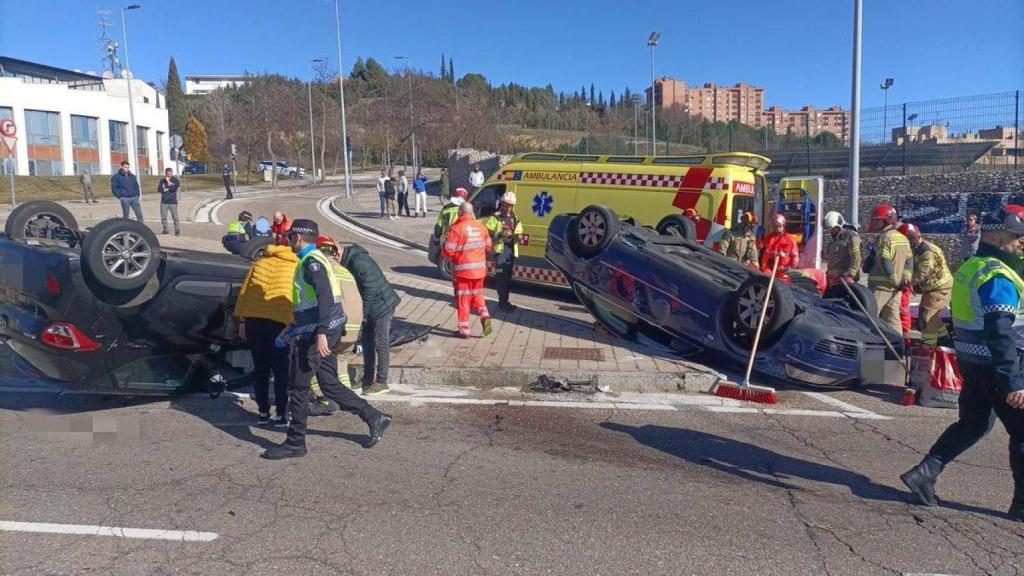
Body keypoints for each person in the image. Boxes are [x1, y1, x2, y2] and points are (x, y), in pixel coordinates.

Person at [900, 204, 1024, 523]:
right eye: (1018, 236)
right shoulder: (998, 275)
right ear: (996, 237)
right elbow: (1000, 332)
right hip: (1000, 367)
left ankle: (924, 473)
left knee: (973, 424)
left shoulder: (974, 265)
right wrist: (1014, 382)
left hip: (973, 363)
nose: (1023, 241)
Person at [262, 219, 392, 460]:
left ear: (298, 238)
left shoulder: (311, 263)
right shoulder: (316, 260)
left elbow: (325, 299)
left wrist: (321, 333)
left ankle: (295, 442)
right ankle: (375, 417)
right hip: (316, 330)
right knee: (330, 385)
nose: (288, 240)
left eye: (290, 237)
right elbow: (310, 304)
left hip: (315, 335)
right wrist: (293, 327)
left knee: (298, 388)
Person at [233, 241, 297, 426]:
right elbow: (295, 296)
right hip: (281, 325)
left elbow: (244, 294)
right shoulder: (294, 266)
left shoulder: (259, 264)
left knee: (260, 368)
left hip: (254, 323)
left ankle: (262, 412)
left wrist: (243, 321)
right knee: (281, 370)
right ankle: (282, 414)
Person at [309, 236, 364, 415]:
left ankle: (323, 399)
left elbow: (323, 300)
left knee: (313, 361)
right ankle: (346, 400)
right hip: (353, 331)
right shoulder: (345, 271)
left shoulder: (324, 271)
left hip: (336, 328)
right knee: (341, 363)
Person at [341, 242, 401, 396]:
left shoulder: (359, 262)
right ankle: (367, 380)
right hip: (372, 308)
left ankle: (382, 381)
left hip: (383, 306)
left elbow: (370, 288)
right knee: (367, 343)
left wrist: (362, 314)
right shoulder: (349, 262)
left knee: (381, 343)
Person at [899, 223, 954, 347]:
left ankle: (928, 346)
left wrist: (906, 281)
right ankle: (944, 340)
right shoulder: (917, 247)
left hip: (939, 286)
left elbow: (923, 273)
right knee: (932, 316)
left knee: (926, 317)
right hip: (932, 286)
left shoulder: (925, 251)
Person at [443, 202, 493, 338]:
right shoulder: (482, 227)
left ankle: (464, 330)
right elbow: (489, 247)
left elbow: (448, 251)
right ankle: (484, 314)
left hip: (464, 272)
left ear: (460, 213)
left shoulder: (457, 229)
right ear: (472, 213)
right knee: (478, 295)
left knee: (464, 300)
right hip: (480, 271)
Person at [866, 203, 913, 335]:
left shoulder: (884, 238)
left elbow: (884, 261)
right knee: (892, 320)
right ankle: (897, 348)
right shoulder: (903, 238)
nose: (874, 223)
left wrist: (894, 280)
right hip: (895, 289)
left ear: (886, 220)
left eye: (876, 220)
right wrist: (905, 279)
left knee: (867, 317)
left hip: (880, 288)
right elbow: (909, 261)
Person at [484, 192, 523, 312]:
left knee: (507, 278)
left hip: (510, 251)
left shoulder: (515, 218)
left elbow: (520, 230)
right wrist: (500, 234)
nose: (508, 207)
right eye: (506, 205)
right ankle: (502, 302)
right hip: (500, 252)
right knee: (501, 278)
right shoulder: (495, 217)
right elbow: (487, 231)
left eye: (511, 205)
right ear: (502, 204)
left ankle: (505, 301)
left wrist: (519, 236)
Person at [822, 211, 862, 286]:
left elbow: (856, 257)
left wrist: (850, 275)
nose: (831, 232)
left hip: (845, 280)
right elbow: (833, 259)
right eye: (830, 230)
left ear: (839, 226)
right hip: (833, 280)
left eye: (834, 229)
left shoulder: (851, 237)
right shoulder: (834, 241)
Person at [759, 214, 799, 281]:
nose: (778, 228)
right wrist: (758, 237)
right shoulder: (769, 238)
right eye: (775, 226)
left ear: (783, 225)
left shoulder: (790, 239)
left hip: (785, 273)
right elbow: (759, 246)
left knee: (784, 289)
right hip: (771, 271)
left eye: (779, 226)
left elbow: (795, 257)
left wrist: (791, 270)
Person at [158, 168, 181, 236]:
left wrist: (168, 183)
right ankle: (165, 229)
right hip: (164, 201)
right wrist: (165, 189)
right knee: (163, 217)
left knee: (175, 217)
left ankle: (177, 230)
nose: (169, 175)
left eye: (170, 173)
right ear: (166, 173)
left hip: (172, 202)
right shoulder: (162, 181)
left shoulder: (176, 181)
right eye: (167, 174)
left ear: (172, 173)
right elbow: (159, 189)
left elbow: (174, 189)